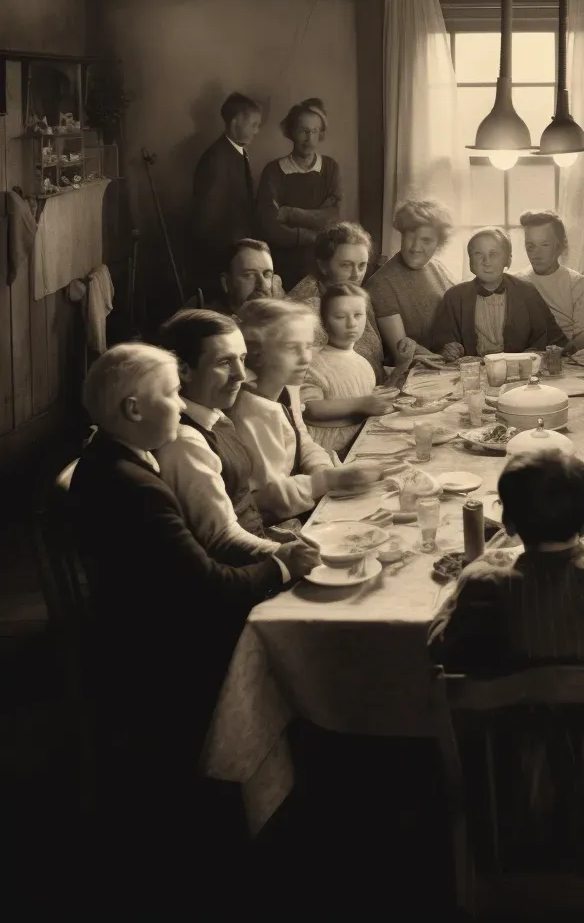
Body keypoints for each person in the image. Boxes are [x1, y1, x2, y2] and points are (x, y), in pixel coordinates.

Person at [69, 344, 320, 896]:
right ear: (134, 411)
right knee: (294, 640)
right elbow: (210, 590)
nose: (182, 409)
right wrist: (280, 565)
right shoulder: (135, 490)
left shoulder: (119, 461)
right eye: (171, 396)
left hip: (143, 619)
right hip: (158, 650)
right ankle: (282, 808)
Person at [428, 449, 584, 870]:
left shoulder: (485, 585)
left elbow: (439, 651)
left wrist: (468, 575)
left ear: (507, 524)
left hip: (504, 781)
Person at [229, 299, 382, 525]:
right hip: (278, 526)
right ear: (257, 353)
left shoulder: (287, 388)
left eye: (308, 346)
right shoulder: (251, 411)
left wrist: (322, 468)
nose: (306, 358)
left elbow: (303, 440)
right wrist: (325, 481)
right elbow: (267, 498)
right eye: (292, 348)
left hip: (303, 502)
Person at [156, 309, 280, 561]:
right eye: (225, 362)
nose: (241, 375)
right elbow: (221, 538)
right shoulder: (184, 442)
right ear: (183, 370)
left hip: (259, 549)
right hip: (240, 574)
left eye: (242, 359)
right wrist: (286, 554)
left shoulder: (214, 417)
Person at [287, 222, 401, 382]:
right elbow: (306, 382)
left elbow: (374, 360)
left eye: (362, 266)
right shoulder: (303, 310)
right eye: (346, 265)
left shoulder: (355, 295)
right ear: (323, 266)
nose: (356, 275)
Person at [430, 228, 566, 359]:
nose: (487, 262)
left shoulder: (527, 292)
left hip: (519, 371)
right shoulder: (454, 297)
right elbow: (440, 342)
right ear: (471, 262)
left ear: (508, 260)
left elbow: (551, 337)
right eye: (478, 254)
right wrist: (447, 349)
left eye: (493, 254)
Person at [256, 98, 343, 290]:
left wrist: (289, 213)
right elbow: (268, 226)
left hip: (322, 263)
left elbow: (333, 218)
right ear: (291, 132)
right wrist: (312, 235)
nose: (309, 138)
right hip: (284, 264)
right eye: (303, 131)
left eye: (314, 131)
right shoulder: (273, 171)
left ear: (320, 134)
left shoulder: (330, 168)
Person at [300, 284, 395, 457]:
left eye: (358, 315)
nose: (351, 323)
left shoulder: (363, 363)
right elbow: (308, 408)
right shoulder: (314, 363)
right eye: (340, 316)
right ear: (325, 322)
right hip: (330, 452)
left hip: (362, 443)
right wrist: (361, 404)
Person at [367, 198, 455, 359]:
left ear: (438, 243)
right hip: (411, 373)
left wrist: (455, 347)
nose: (415, 247)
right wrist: (445, 359)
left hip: (443, 366)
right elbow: (403, 353)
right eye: (409, 237)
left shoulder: (438, 269)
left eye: (426, 240)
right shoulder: (381, 284)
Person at [191, 92, 261, 283]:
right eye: (254, 125)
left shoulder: (237, 153)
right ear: (236, 121)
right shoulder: (215, 159)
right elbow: (207, 221)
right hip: (222, 260)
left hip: (238, 253)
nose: (257, 131)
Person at [517, 209, 584, 353]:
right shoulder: (517, 281)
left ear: (560, 246)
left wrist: (562, 353)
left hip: (565, 356)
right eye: (531, 246)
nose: (536, 254)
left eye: (544, 245)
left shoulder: (578, 283)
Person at [205, 238, 277, 319]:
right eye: (249, 275)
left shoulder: (281, 321)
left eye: (266, 274)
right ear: (226, 283)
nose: (262, 284)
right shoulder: (211, 324)